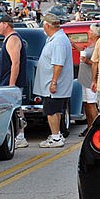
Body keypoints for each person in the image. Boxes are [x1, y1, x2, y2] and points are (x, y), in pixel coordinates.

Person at [34, 13, 74, 148]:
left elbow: (58, 64)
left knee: (51, 111)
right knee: (55, 110)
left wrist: (54, 82)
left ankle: (55, 137)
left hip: (54, 85)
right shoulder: (56, 39)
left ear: (47, 25)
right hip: (54, 84)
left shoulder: (58, 42)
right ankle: (56, 134)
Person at [0, 14, 29, 148]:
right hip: (7, 81)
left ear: (6, 24)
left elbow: (15, 63)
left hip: (11, 83)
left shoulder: (12, 39)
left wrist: (12, 84)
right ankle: (18, 135)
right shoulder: (9, 39)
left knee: (15, 109)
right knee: (15, 109)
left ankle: (20, 136)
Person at [71, 23, 100, 137]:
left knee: (92, 105)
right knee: (86, 104)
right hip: (85, 79)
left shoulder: (99, 46)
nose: (89, 33)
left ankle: (96, 129)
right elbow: (84, 51)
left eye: (91, 31)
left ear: (95, 34)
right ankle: (90, 127)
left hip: (92, 79)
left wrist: (87, 62)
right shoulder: (92, 44)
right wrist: (74, 45)